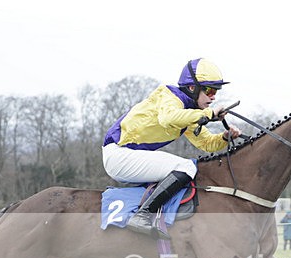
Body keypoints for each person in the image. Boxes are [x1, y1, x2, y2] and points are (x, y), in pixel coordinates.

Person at [102, 58, 242, 239]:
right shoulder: (169, 96)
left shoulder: (189, 112)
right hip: (119, 155)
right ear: (192, 88)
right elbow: (168, 118)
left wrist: (224, 137)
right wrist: (208, 114)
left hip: (128, 156)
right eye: (209, 90)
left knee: (189, 167)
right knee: (186, 167)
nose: (213, 97)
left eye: (216, 91)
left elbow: (206, 143)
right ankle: (142, 215)